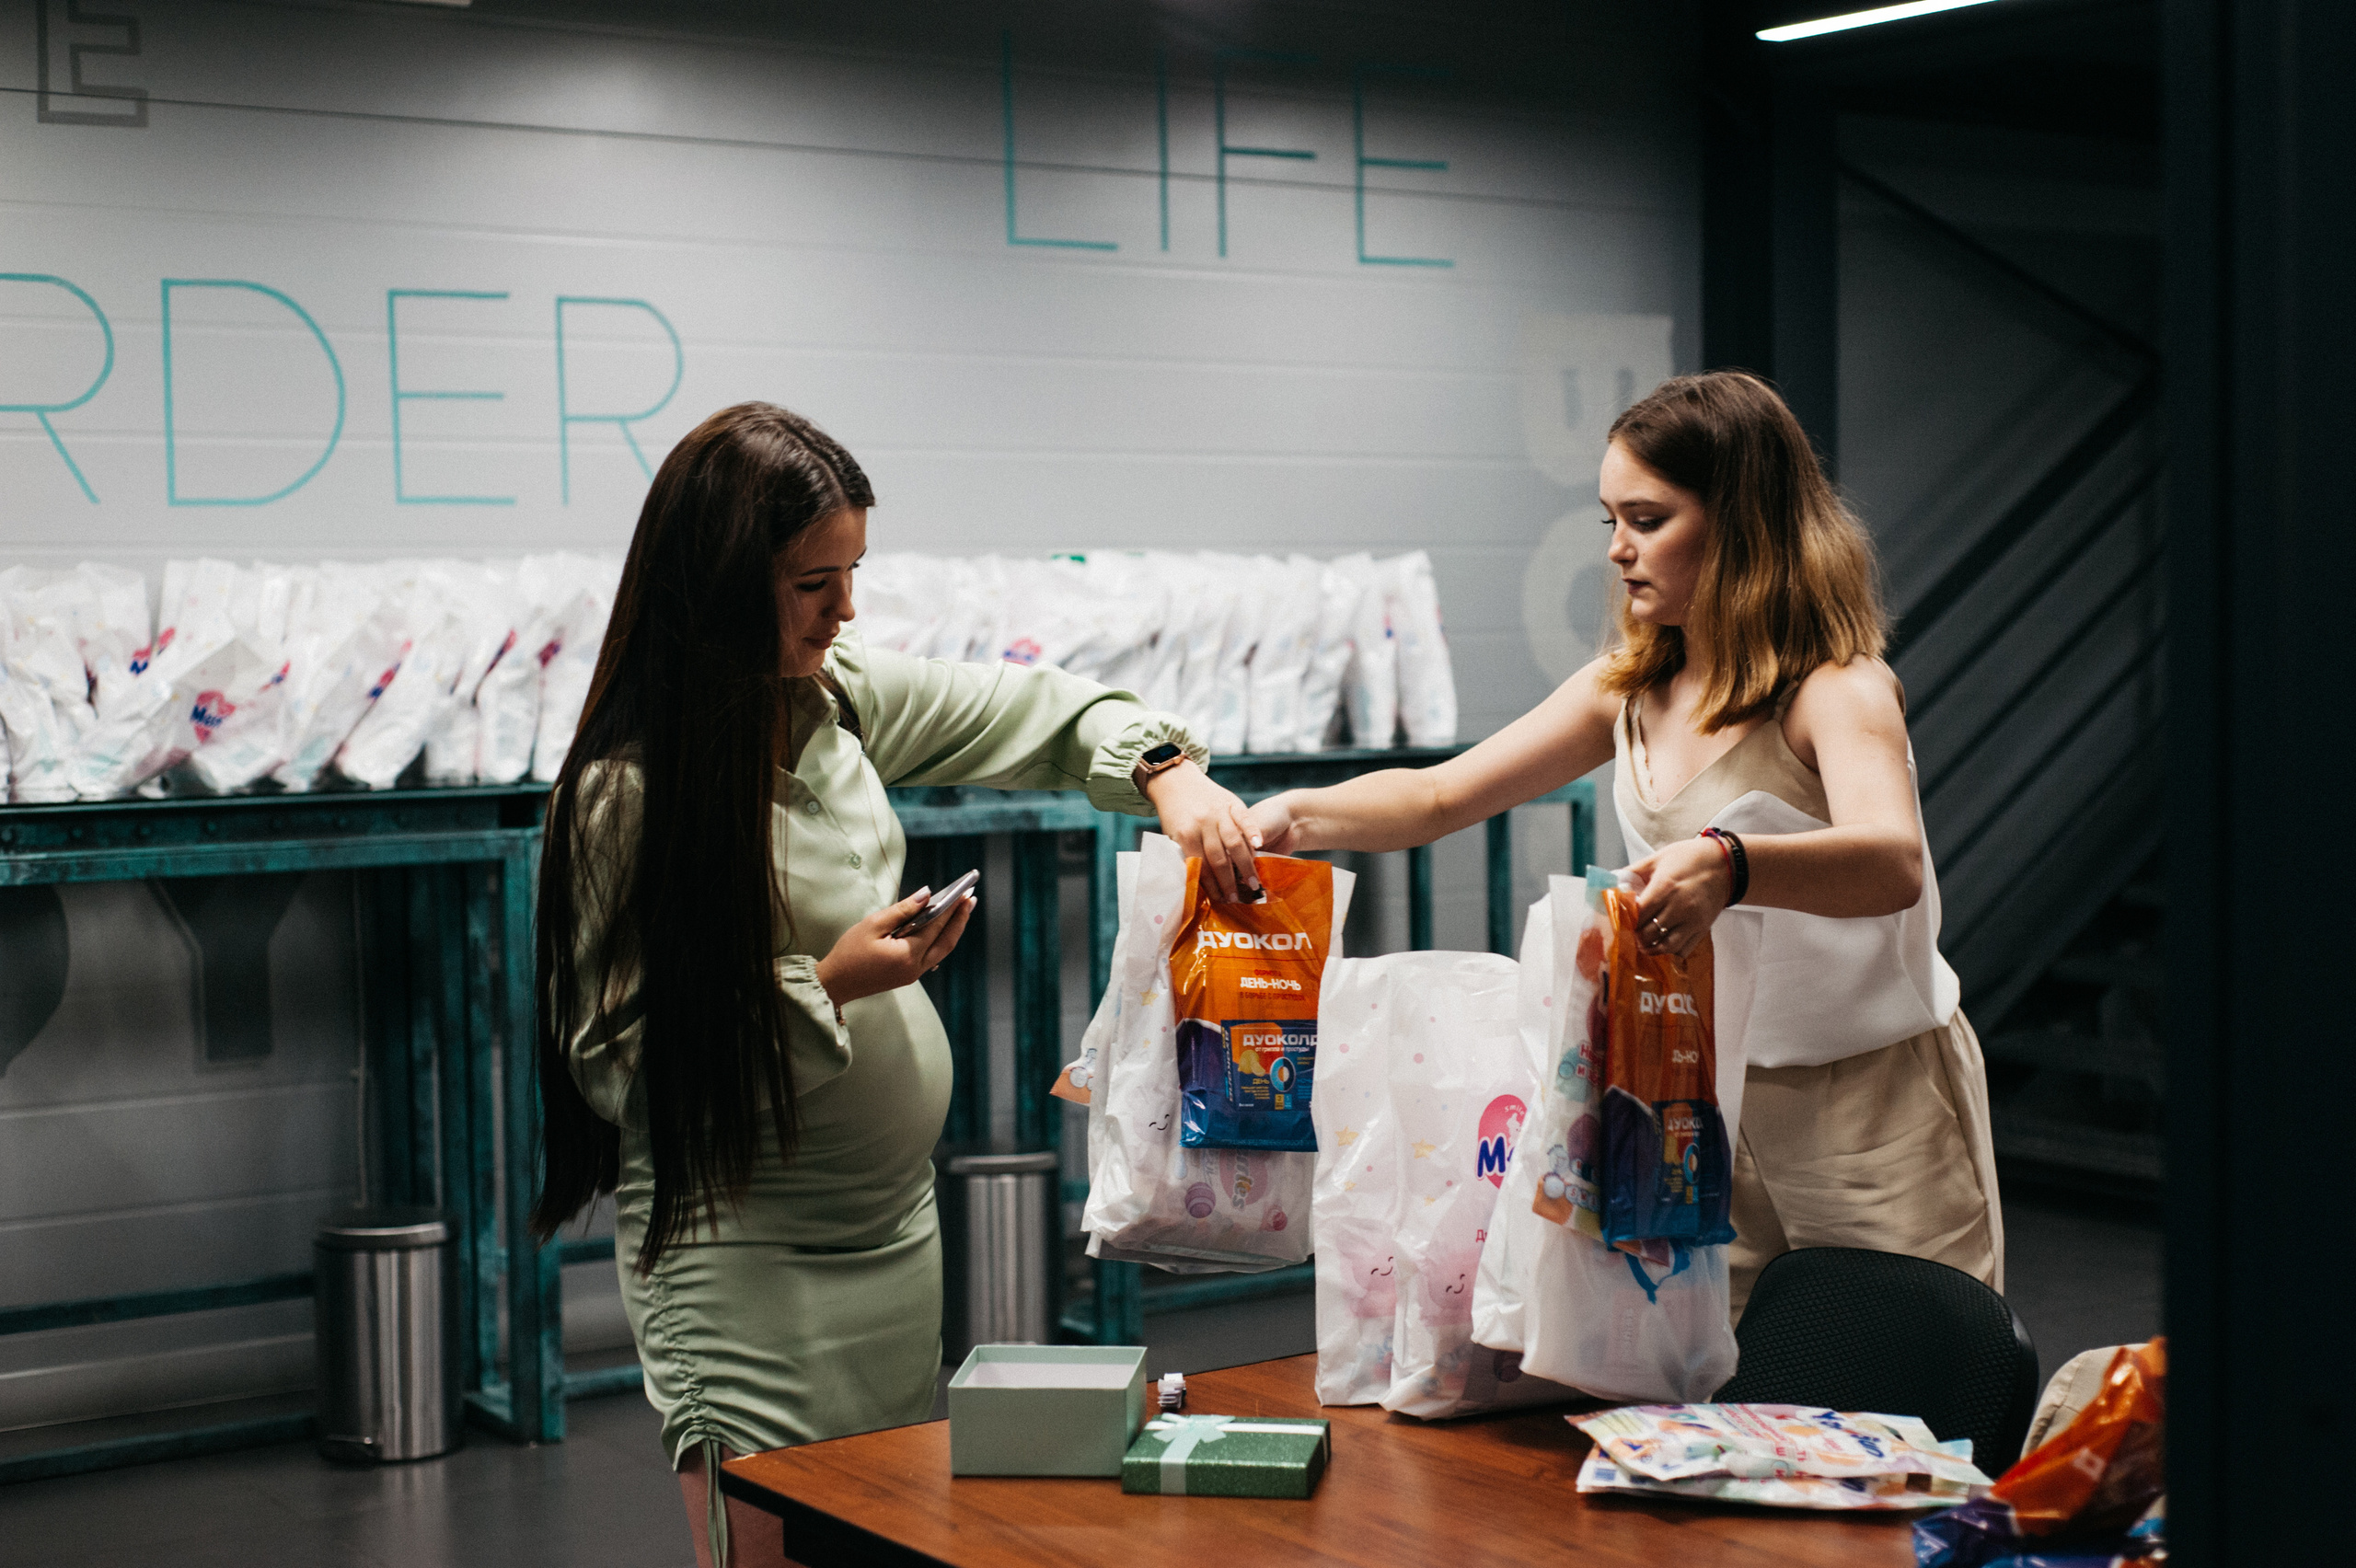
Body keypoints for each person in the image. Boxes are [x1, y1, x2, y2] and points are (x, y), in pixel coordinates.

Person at [529, 402, 1262, 1568]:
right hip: (743, 1264)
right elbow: (620, 1061)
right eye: (815, 582)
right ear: (722, 587)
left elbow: (1043, 714)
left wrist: (1165, 775)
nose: (847, 608)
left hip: (890, 1236)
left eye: (854, 571)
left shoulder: (841, 701)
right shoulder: (626, 797)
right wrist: (828, 983)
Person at [1247, 370, 2002, 1318]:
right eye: (1610, 519)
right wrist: (1292, 816)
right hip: (1697, 1096)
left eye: (1646, 519)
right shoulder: (1632, 684)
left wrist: (1732, 864)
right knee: (1721, 1391)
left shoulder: (1834, 689)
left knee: (1907, 1389)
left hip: (1869, 1103)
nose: (1616, 550)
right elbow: (1441, 795)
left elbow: (1889, 861)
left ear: (1742, 524)